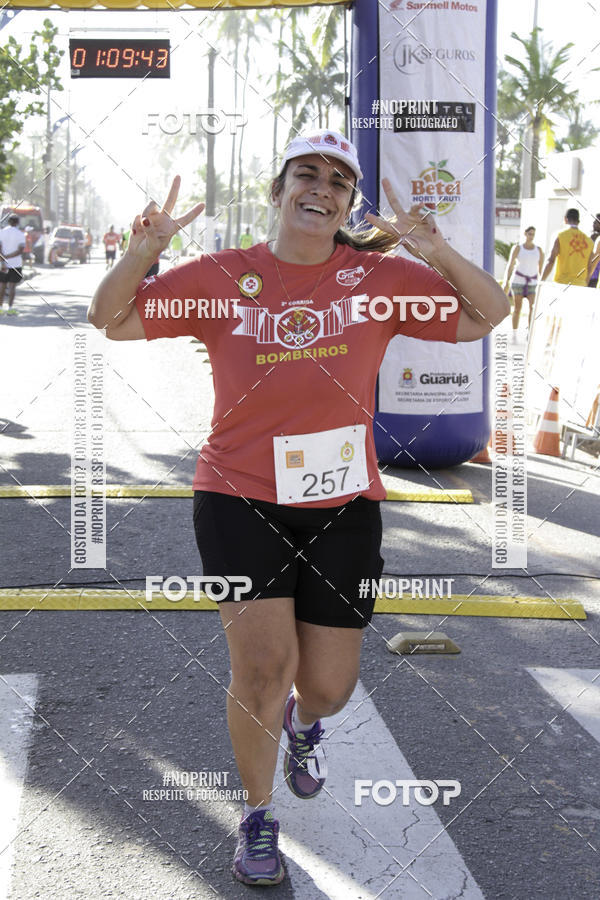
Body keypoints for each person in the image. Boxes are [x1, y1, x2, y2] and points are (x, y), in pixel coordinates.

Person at [89, 129, 509, 887]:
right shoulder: (222, 275)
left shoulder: (378, 278)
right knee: (260, 669)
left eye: (338, 182)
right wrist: (142, 251)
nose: (322, 189)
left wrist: (428, 247)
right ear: (277, 192)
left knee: (327, 687)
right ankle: (257, 816)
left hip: (343, 503)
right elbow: (110, 319)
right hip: (237, 495)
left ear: (350, 204)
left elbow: (487, 313)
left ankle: (305, 726)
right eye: (306, 175)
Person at [503, 226, 544, 341]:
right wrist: (506, 280)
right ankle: (514, 333)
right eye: (529, 234)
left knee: (532, 307)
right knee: (517, 308)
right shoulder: (518, 248)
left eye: (533, 234)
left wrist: (542, 283)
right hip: (518, 281)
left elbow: (541, 268)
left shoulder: (538, 250)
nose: (531, 236)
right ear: (525, 234)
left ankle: (530, 333)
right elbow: (510, 264)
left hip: (532, 282)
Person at [541, 208, 593, 286]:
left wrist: (541, 281)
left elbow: (551, 260)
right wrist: (585, 283)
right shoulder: (589, 241)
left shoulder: (560, 235)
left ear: (565, 219)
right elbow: (590, 266)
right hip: (580, 284)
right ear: (578, 222)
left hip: (562, 283)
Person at [0, 213, 26, 315]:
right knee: (12, 287)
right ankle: (10, 308)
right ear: (18, 223)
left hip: (2, 265)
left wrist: (3, 260)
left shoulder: (2, 232)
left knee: (2, 286)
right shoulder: (20, 234)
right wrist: (9, 257)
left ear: (9, 222)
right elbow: (20, 250)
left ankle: (0, 308)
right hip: (16, 264)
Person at [587, 214, 600, 288]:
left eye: (597, 221)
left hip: (593, 276)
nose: (594, 223)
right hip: (592, 275)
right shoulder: (591, 237)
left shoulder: (595, 238)